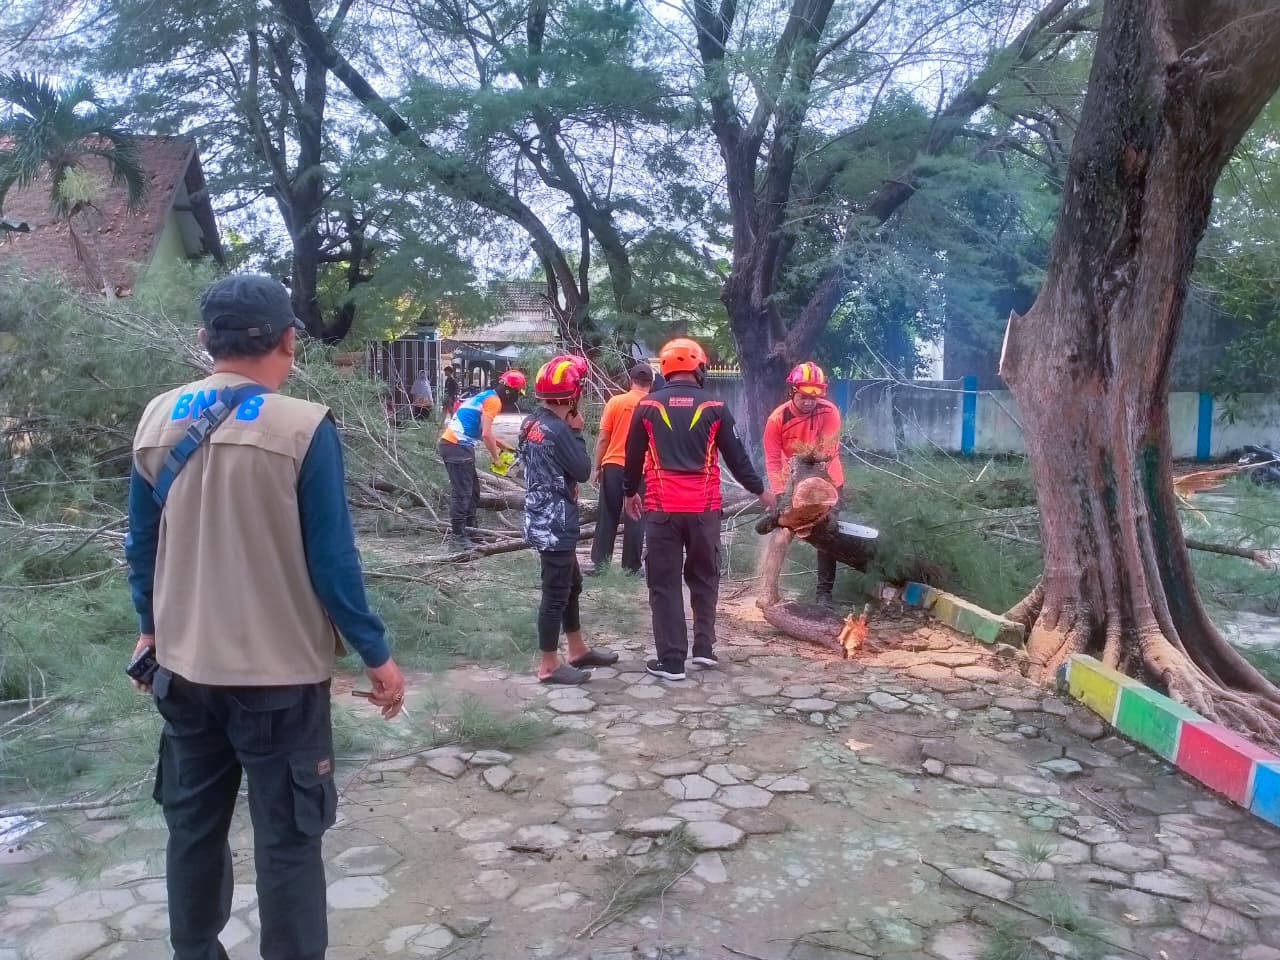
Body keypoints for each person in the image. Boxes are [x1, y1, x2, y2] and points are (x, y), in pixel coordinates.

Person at [123, 274, 406, 960]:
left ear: (204, 340)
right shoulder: (302, 426)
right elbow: (333, 564)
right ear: (288, 339)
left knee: (192, 828)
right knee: (286, 842)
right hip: (278, 681)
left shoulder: (158, 417)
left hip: (185, 672)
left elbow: (140, 547)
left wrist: (151, 628)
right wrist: (376, 654)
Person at [623, 338, 776, 680]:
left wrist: (629, 492)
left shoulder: (646, 406)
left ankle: (672, 660)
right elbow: (738, 458)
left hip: (662, 511)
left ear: (666, 369)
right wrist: (760, 491)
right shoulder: (715, 407)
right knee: (704, 576)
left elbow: (631, 458)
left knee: (663, 583)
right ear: (699, 368)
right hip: (705, 510)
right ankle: (704, 648)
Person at [521, 355, 620, 684]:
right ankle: (549, 665)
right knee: (555, 593)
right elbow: (581, 470)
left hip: (539, 516)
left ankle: (577, 650)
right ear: (573, 394)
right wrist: (577, 433)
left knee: (571, 585)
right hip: (555, 521)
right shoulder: (560, 430)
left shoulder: (532, 422)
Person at [763, 361, 846, 603]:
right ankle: (768, 591)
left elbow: (829, 451)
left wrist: (821, 489)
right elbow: (772, 461)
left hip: (829, 479)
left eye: (815, 396)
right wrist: (780, 493)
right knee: (781, 533)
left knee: (828, 533)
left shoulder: (829, 411)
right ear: (793, 391)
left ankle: (824, 594)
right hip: (792, 482)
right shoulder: (777, 419)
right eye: (804, 396)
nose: (810, 402)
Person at [438, 368, 526, 547]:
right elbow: (486, 434)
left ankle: (472, 532)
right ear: (509, 391)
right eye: (518, 393)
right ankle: (458, 538)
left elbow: (478, 430)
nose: (517, 398)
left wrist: (504, 446)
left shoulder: (485, 396)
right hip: (457, 446)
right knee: (462, 494)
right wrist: (496, 458)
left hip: (457, 446)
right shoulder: (494, 401)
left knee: (473, 493)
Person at [590, 363, 653, 574]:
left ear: (630, 381)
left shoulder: (616, 402)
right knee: (636, 516)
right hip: (642, 470)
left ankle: (601, 565)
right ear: (651, 384)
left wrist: (597, 467)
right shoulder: (653, 405)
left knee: (607, 515)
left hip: (614, 465)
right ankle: (631, 568)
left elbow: (604, 437)